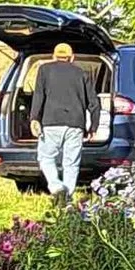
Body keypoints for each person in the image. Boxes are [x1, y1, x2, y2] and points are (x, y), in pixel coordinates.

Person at [34, 42, 92, 198]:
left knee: (46, 157)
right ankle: (67, 196)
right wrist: (94, 126)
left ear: (54, 56)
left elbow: (38, 95)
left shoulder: (44, 70)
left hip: (51, 122)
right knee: (71, 163)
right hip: (76, 124)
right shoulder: (81, 73)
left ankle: (56, 187)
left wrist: (34, 118)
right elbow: (93, 103)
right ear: (72, 57)